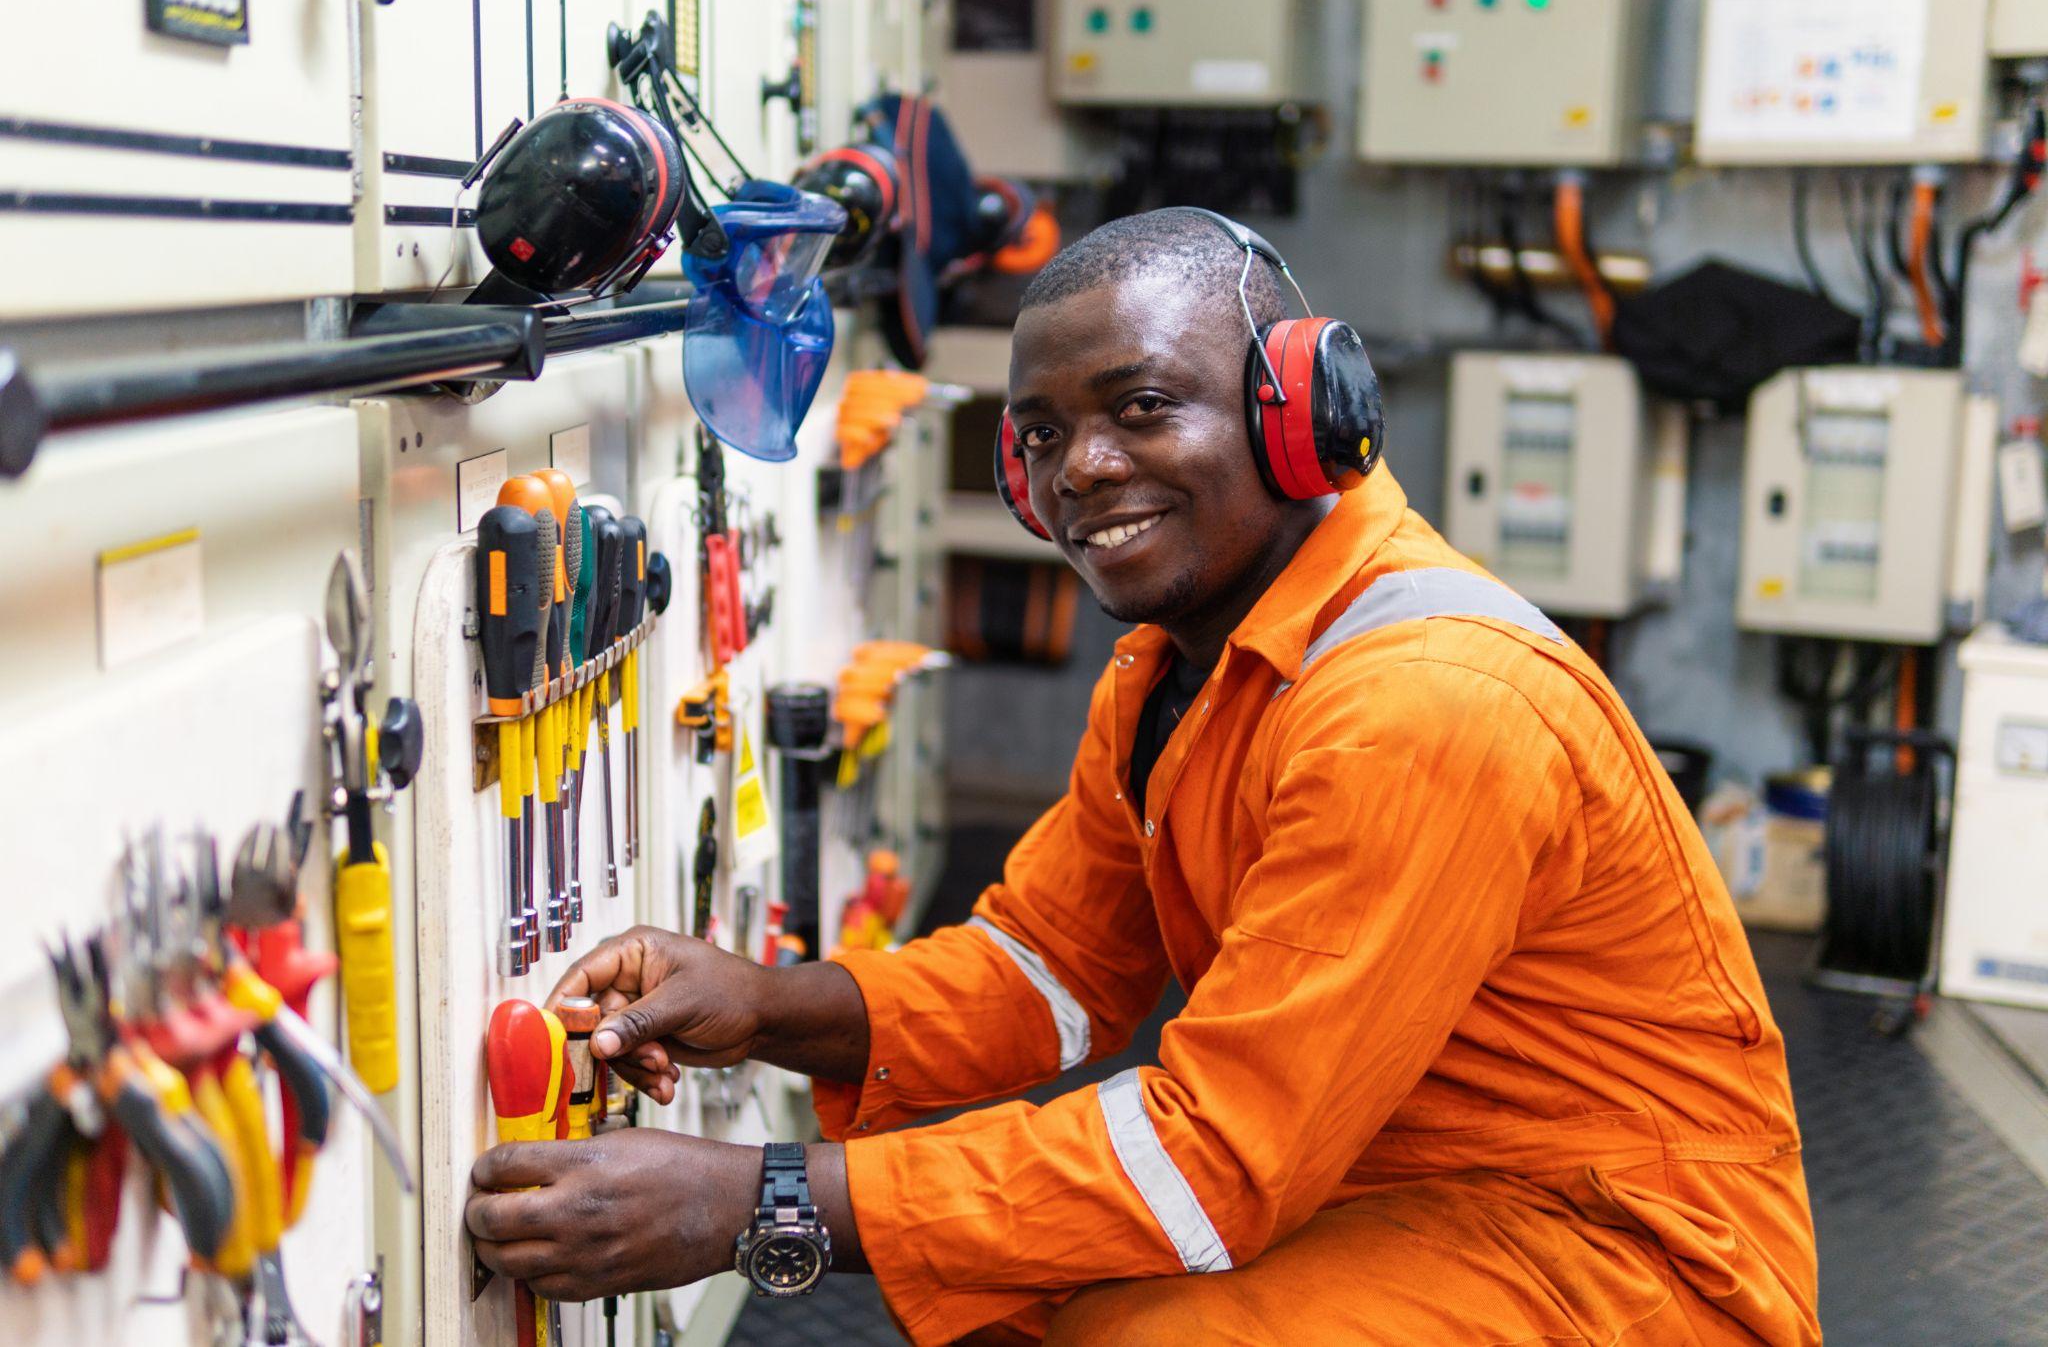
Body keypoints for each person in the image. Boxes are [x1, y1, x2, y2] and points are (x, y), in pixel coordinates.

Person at [468, 209, 1821, 1345]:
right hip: (1403, 1186)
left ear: (1304, 414)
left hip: (1631, 1265)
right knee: (1020, 1279)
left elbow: (1216, 1158)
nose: (1083, 469)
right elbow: (1049, 970)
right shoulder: (1182, 671)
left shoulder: (1424, 704)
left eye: (1142, 406)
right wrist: (768, 1002)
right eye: (1041, 435)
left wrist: (749, 1202)